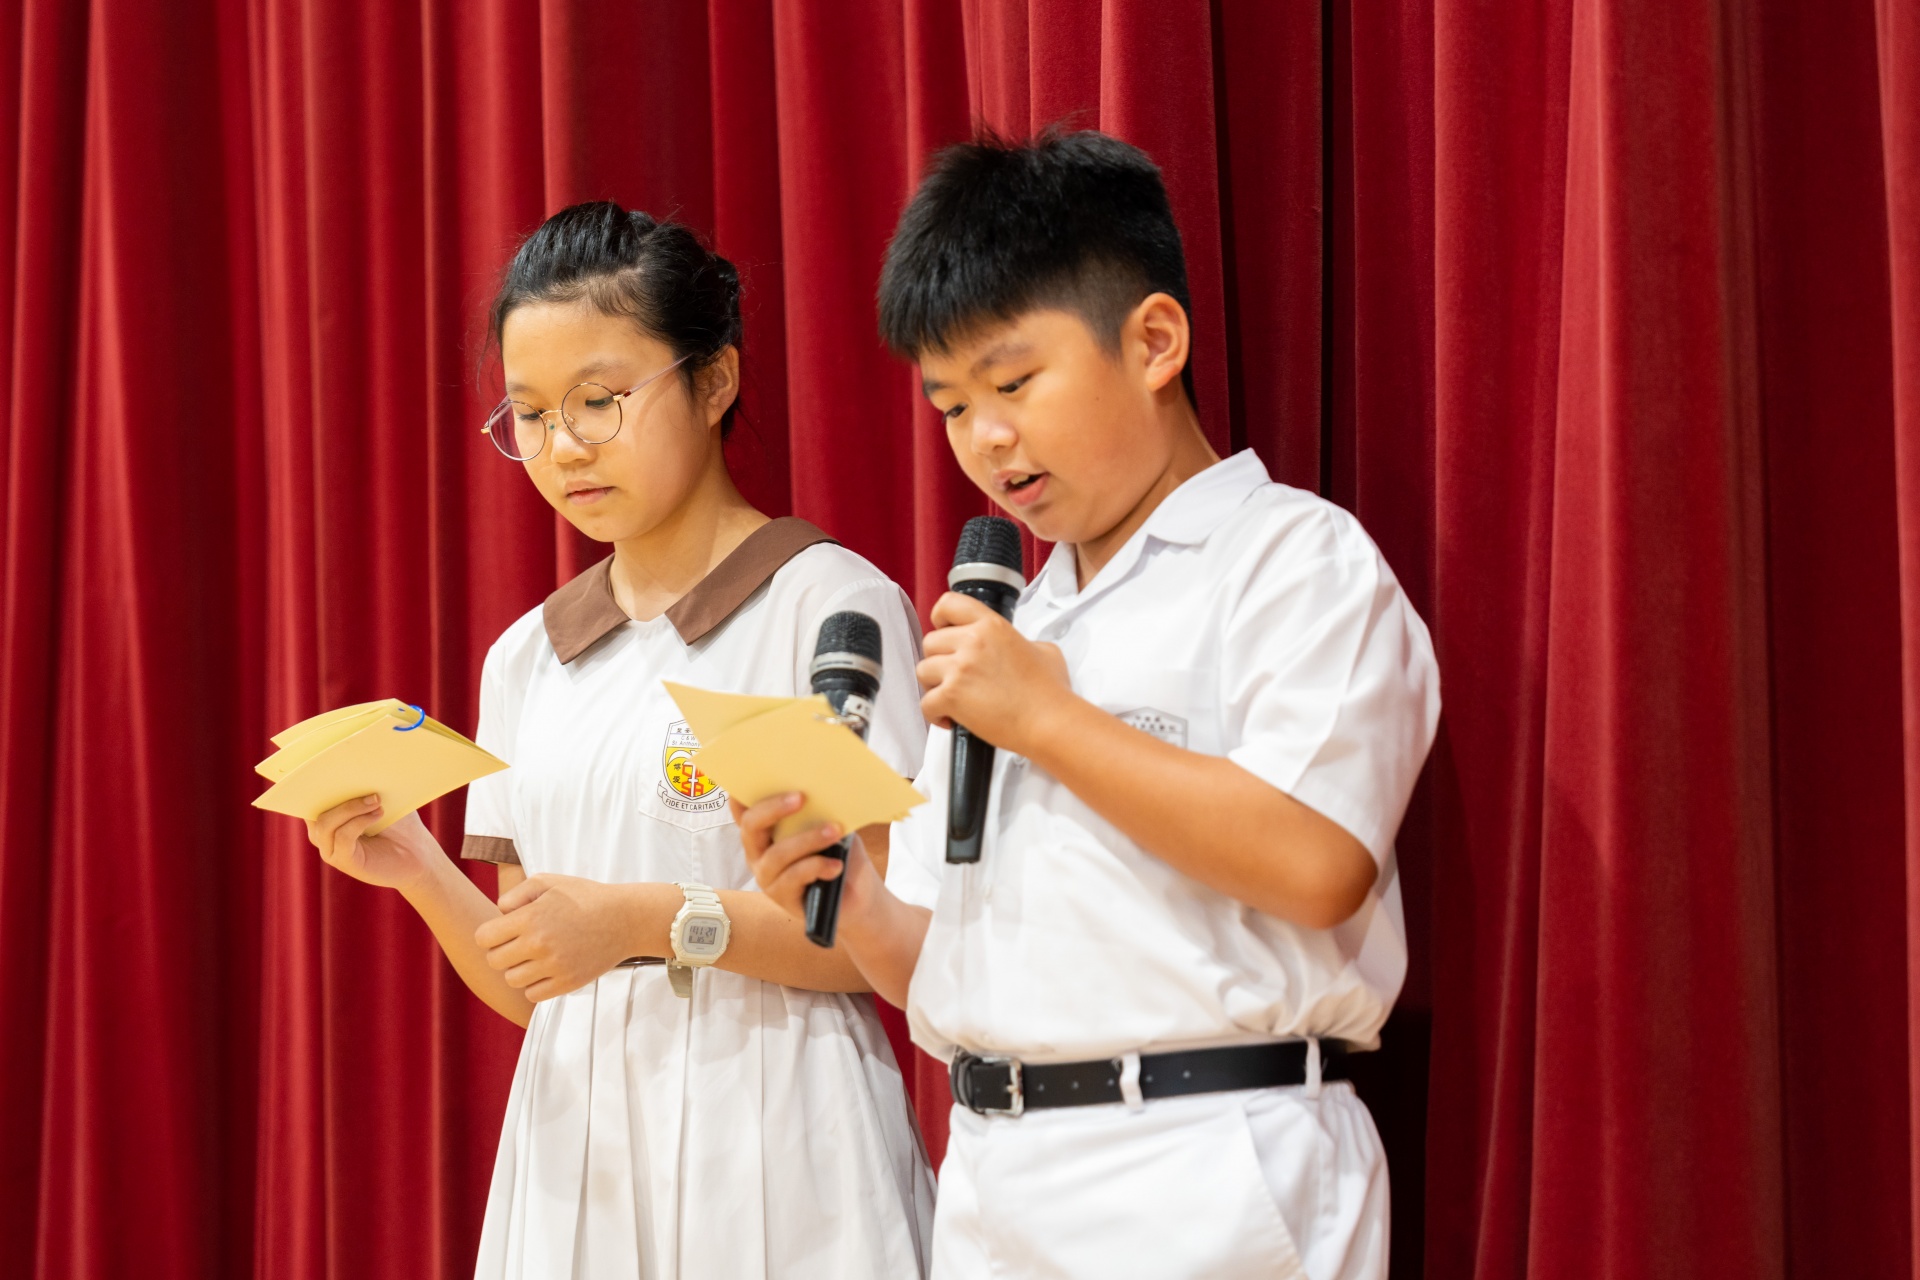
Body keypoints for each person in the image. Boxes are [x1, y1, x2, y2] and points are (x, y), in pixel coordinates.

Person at [737, 131, 1439, 1279]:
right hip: (994, 1174)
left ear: (1154, 341)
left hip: (1209, 1162)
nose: (987, 438)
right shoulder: (1011, 627)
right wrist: (853, 897)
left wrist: (1049, 722)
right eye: (953, 405)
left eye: (1014, 384)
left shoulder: (1290, 558)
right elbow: (940, 964)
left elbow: (1320, 862)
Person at [301, 201, 934, 1279]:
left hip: (782, 1140)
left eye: (600, 401)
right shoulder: (528, 657)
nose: (564, 447)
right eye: (531, 414)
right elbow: (535, 979)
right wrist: (419, 869)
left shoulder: (825, 606)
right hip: (576, 1161)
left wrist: (648, 919)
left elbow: (875, 938)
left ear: (714, 381)